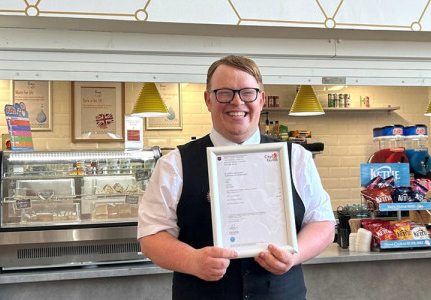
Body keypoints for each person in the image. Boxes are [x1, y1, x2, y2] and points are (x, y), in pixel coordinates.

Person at [138, 55, 335, 300]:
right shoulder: (174, 164)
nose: (237, 101)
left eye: (247, 92)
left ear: (261, 99)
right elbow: (152, 235)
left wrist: (294, 254)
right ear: (208, 100)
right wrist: (193, 260)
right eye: (224, 93)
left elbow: (323, 223)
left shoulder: (296, 158)